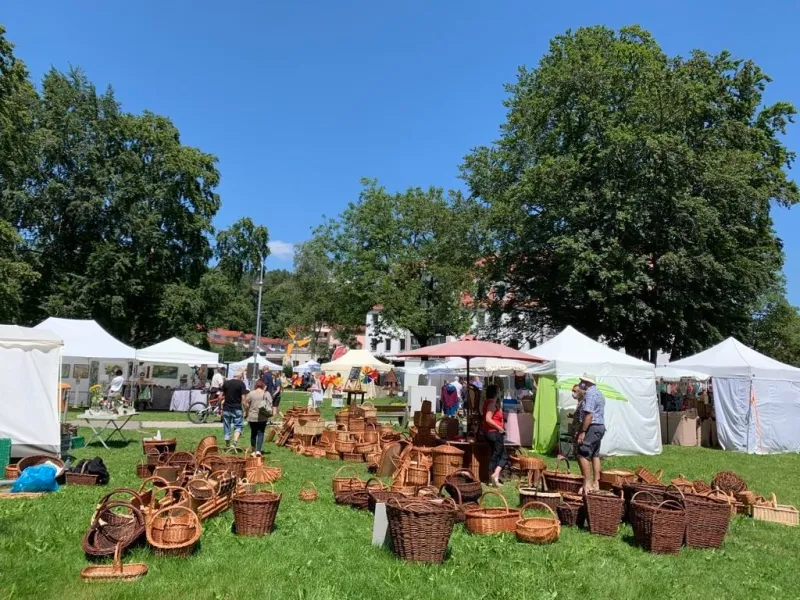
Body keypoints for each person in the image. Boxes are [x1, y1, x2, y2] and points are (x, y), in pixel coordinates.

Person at [576, 374, 606, 492]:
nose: (580, 384)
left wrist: (583, 431)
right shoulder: (599, 393)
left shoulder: (590, 394)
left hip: (592, 427)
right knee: (595, 455)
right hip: (600, 427)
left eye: (582, 382)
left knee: (582, 453)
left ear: (586, 383)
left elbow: (589, 414)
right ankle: (596, 483)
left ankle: (587, 484)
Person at [482, 384, 508, 487]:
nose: (500, 392)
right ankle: (494, 475)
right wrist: (500, 428)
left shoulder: (490, 403)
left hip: (490, 432)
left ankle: (493, 478)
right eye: (498, 391)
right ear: (495, 392)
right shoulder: (491, 403)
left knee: (496, 454)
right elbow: (488, 419)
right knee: (502, 455)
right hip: (494, 432)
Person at [244, 379, 272, 456]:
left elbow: (245, 403)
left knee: (253, 433)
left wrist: (246, 412)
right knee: (261, 433)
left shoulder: (251, 393)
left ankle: (253, 450)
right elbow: (270, 403)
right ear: (263, 385)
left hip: (252, 416)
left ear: (256, 385)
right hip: (262, 417)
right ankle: (258, 450)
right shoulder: (266, 393)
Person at [221, 370, 247, 448]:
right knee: (238, 426)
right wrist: (246, 409)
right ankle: (234, 443)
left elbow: (220, 397)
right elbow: (243, 398)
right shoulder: (241, 384)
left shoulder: (226, 383)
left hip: (226, 408)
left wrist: (219, 407)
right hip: (237, 408)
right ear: (241, 376)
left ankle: (227, 443)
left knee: (226, 425)